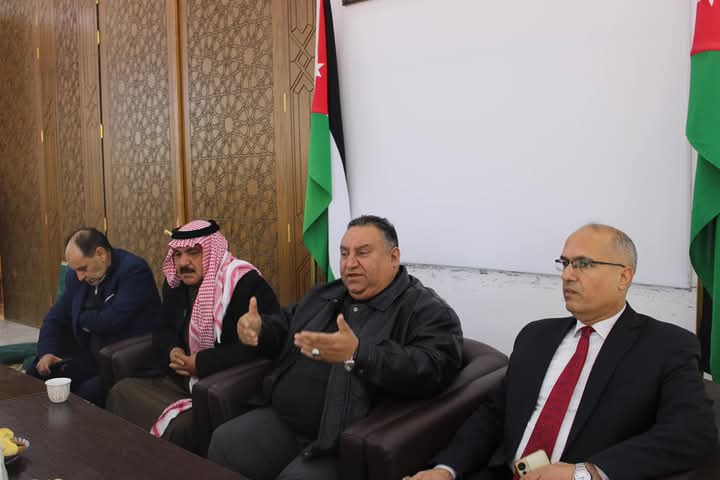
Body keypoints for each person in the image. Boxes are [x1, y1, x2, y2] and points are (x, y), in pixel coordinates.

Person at [410, 224, 717, 480]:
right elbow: (493, 415)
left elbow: (692, 433)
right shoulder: (535, 337)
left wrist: (585, 473)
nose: (567, 275)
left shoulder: (666, 346)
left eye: (583, 264)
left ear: (624, 277)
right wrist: (445, 469)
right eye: (565, 263)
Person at [208, 215, 464, 480]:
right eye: (344, 253)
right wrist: (260, 329)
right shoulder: (326, 294)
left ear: (393, 257)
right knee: (224, 443)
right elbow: (286, 324)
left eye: (362, 253)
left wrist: (358, 354)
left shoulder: (427, 310)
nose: (350, 263)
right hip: (282, 418)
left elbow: (432, 367)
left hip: (341, 439)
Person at [106, 219, 280, 452]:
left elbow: (260, 348)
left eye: (193, 253)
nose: (183, 263)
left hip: (216, 383)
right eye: (177, 254)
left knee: (180, 427)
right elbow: (163, 329)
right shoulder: (175, 285)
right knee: (121, 391)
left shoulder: (244, 283)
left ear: (211, 251)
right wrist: (173, 350)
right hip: (178, 379)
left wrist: (201, 363)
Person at [28, 228, 160, 405]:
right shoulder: (77, 277)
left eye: (83, 269)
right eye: (75, 270)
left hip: (121, 359)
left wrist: (78, 316)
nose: (80, 277)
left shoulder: (134, 271)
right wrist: (47, 352)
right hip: (88, 354)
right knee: (38, 371)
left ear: (101, 254)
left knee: (86, 395)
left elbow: (110, 320)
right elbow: (55, 317)